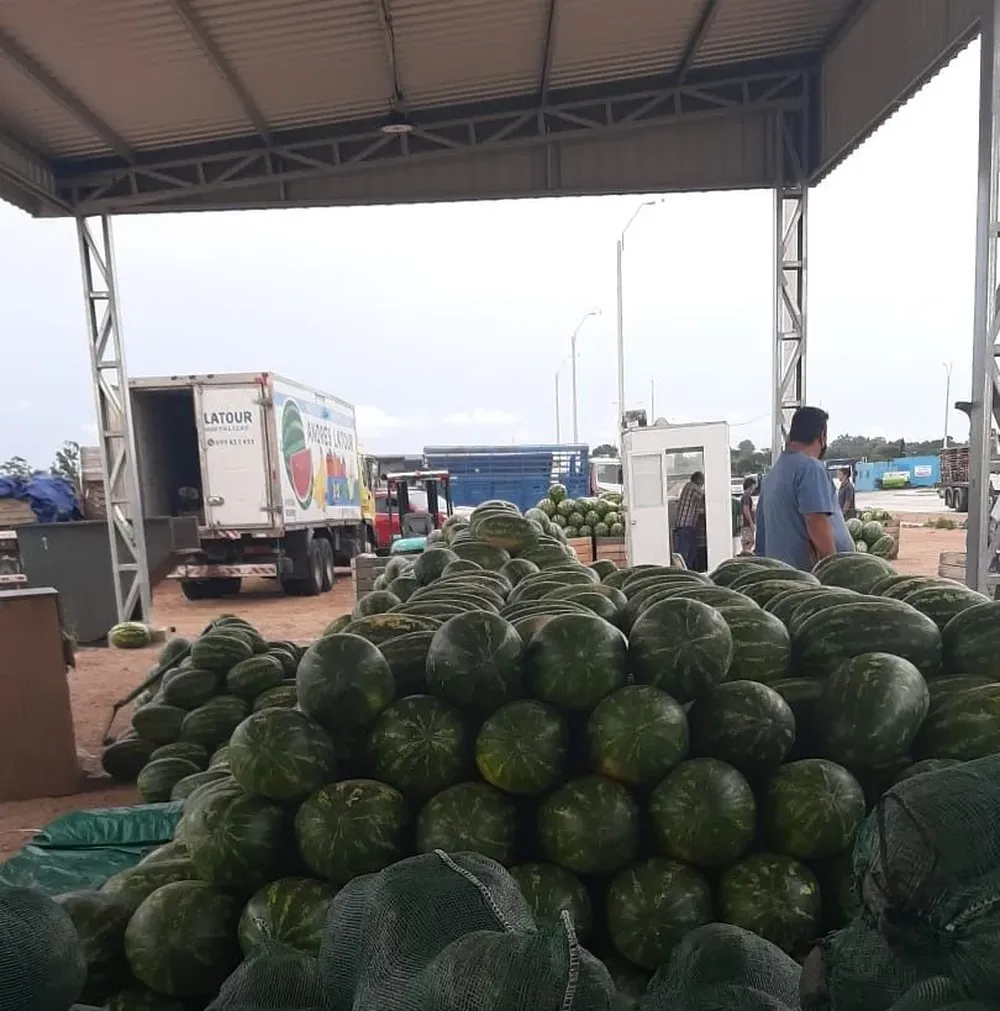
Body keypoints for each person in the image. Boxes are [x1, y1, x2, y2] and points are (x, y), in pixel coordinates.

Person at [755, 407, 855, 570]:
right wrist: (832, 570)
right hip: (810, 579)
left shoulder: (770, 477)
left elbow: (762, 539)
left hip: (786, 578)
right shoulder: (810, 467)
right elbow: (816, 522)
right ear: (822, 436)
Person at [673, 471, 705, 569]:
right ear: (698, 480)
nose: (703, 483)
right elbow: (705, 497)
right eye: (702, 481)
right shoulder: (692, 487)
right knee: (684, 551)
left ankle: (688, 569)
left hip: (686, 524)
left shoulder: (688, 487)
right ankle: (681, 571)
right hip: (686, 525)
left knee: (692, 549)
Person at [740, 476, 757, 554]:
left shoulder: (745, 496)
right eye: (754, 485)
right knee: (748, 543)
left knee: (747, 543)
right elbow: (746, 509)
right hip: (747, 525)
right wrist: (751, 523)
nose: (755, 487)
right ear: (751, 485)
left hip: (745, 524)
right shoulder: (747, 496)